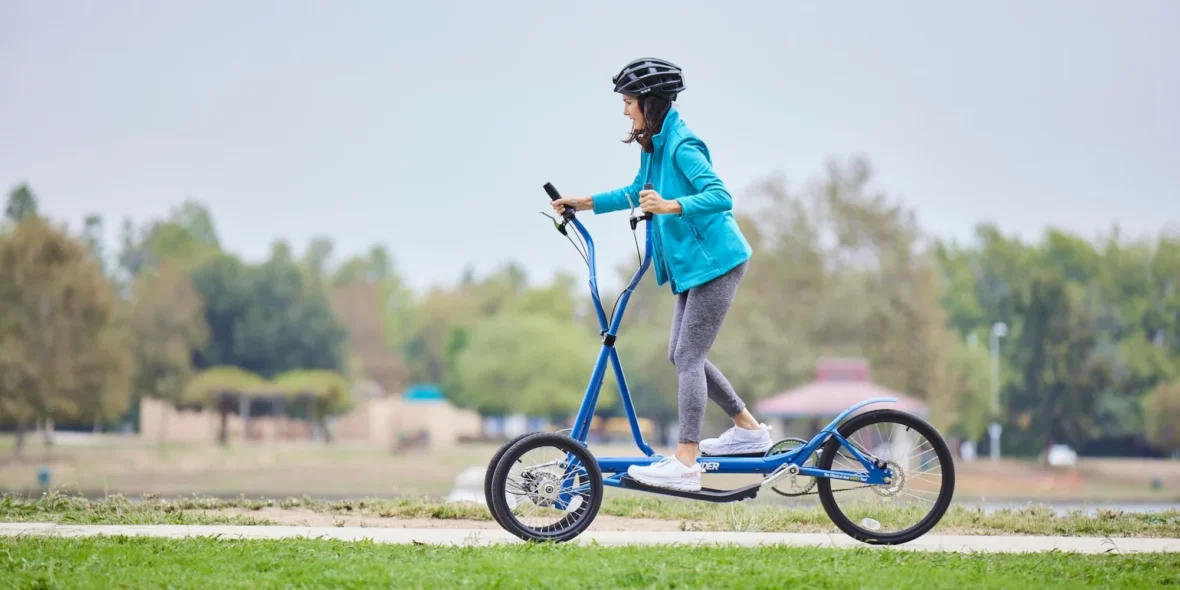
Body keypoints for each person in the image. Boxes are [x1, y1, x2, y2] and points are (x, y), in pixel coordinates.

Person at [549, 57, 772, 492]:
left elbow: (720, 195)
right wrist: (583, 202)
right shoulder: (655, 146)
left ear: (650, 103)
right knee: (682, 354)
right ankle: (748, 430)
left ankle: (686, 461)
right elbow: (635, 192)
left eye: (629, 101)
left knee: (688, 357)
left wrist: (671, 205)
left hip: (717, 262)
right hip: (693, 268)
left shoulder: (683, 145)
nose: (625, 110)